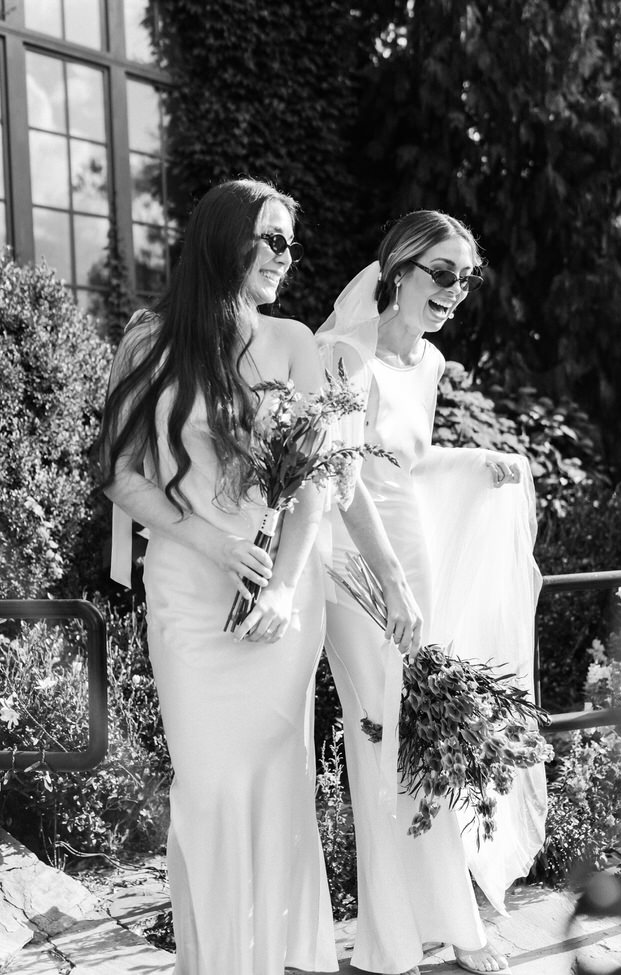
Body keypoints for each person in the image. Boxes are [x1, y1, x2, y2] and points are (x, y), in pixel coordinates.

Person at [99, 178, 338, 975]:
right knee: (207, 788)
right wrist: (208, 540)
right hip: (190, 598)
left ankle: (270, 958)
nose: (285, 257)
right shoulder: (150, 341)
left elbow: (317, 482)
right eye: (271, 239)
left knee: (276, 788)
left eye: (290, 244)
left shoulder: (297, 342)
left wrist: (281, 584)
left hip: (277, 602)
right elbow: (120, 475)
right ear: (223, 238)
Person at [316, 210, 547, 975]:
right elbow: (346, 482)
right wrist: (388, 583)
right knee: (379, 746)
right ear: (399, 270)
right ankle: (387, 944)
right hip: (358, 577)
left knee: (426, 753)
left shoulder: (432, 362)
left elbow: (404, 459)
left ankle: (454, 925)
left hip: (419, 565)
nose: (454, 291)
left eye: (465, 277)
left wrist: (480, 460)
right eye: (442, 273)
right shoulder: (342, 356)